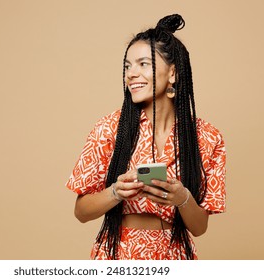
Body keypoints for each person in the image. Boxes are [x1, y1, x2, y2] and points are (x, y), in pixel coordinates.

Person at [65, 14, 226, 260]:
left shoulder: (208, 138)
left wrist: (183, 198)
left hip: (175, 256)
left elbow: (199, 227)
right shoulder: (109, 128)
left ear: (172, 73)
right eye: (127, 66)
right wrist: (116, 192)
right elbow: (81, 212)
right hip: (118, 253)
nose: (131, 74)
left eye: (143, 64)